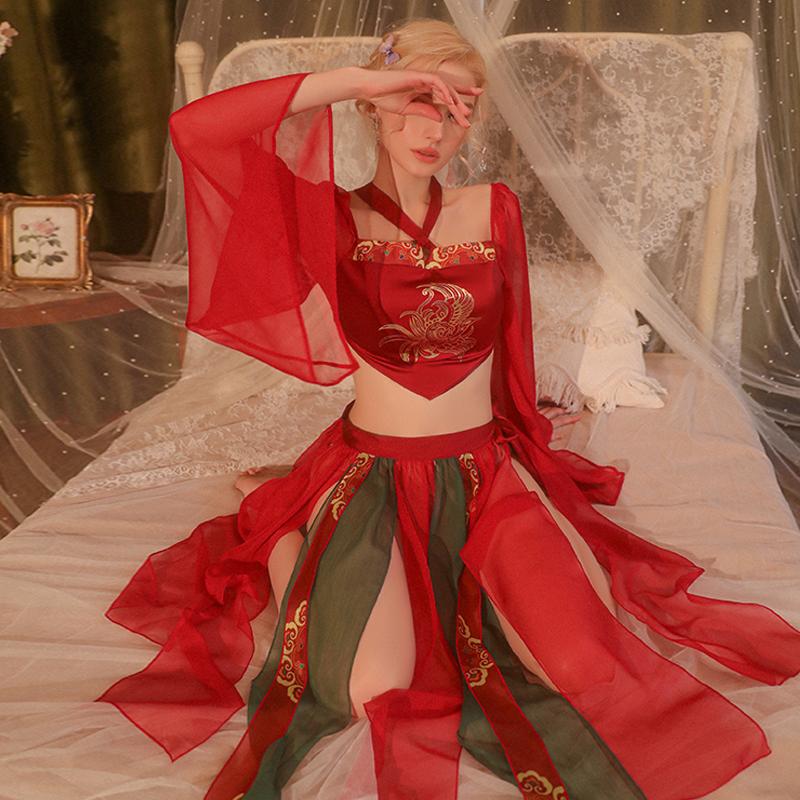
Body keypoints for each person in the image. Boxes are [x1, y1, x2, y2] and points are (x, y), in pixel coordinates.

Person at [96, 18, 800, 800]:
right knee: (369, 692)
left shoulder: (492, 208)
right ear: (374, 106)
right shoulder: (331, 218)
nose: (433, 128)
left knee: (582, 667)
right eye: (415, 101)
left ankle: (302, 511)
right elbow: (198, 131)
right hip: (374, 477)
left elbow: (512, 352)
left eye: (457, 106)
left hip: (481, 472)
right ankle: (281, 528)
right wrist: (363, 79)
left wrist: (531, 464)